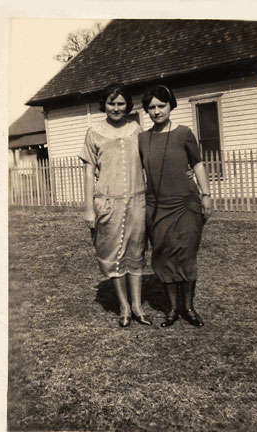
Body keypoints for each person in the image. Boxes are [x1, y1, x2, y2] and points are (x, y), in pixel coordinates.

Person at [79, 83, 152, 328]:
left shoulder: (136, 129)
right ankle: (124, 307)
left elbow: (146, 165)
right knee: (112, 254)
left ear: (127, 105)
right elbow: (89, 173)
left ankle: (138, 306)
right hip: (107, 202)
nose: (116, 108)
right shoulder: (94, 132)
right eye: (112, 103)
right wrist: (89, 208)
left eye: (121, 103)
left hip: (136, 200)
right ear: (104, 105)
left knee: (136, 252)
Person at [139, 85, 212, 328]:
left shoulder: (184, 133)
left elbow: (198, 164)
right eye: (151, 107)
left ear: (171, 106)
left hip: (185, 204)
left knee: (186, 255)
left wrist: (206, 195)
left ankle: (188, 308)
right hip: (156, 207)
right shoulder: (142, 138)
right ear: (146, 111)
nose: (157, 111)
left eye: (162, 105)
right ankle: (171, 309)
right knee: (163, 256)